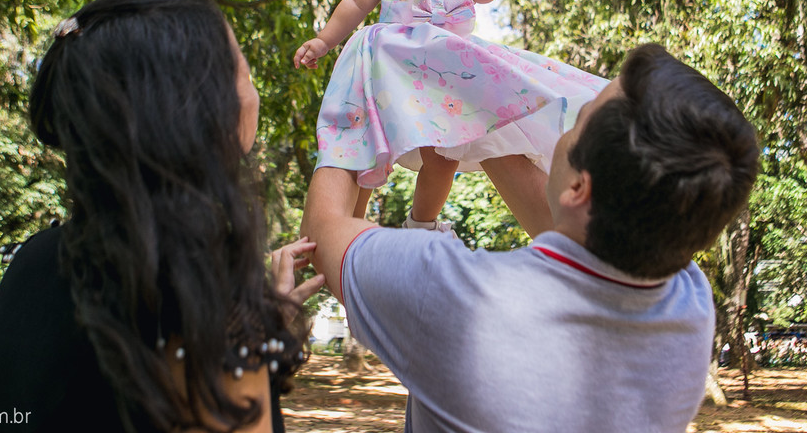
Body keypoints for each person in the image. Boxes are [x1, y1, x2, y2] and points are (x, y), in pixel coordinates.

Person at [301, 43, 760, 433]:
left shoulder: (455, 296)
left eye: (576, 120)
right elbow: (569, 221)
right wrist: (473, 97)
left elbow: (322, 233)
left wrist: (357, 82)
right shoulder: (689, 303)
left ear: (579, 187)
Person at [0, 0, 324, 433]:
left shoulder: (34, 260)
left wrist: (264, 319)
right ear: (201, 111)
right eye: (245, 75)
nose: (253, 95)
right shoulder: (189, 286)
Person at [294, 0, 606, 234]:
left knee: (444, 156)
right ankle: (349, 227)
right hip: (394, 59)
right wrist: (324, 40)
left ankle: (421, 225)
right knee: (366, 144)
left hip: (444, 68)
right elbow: (358, 1)